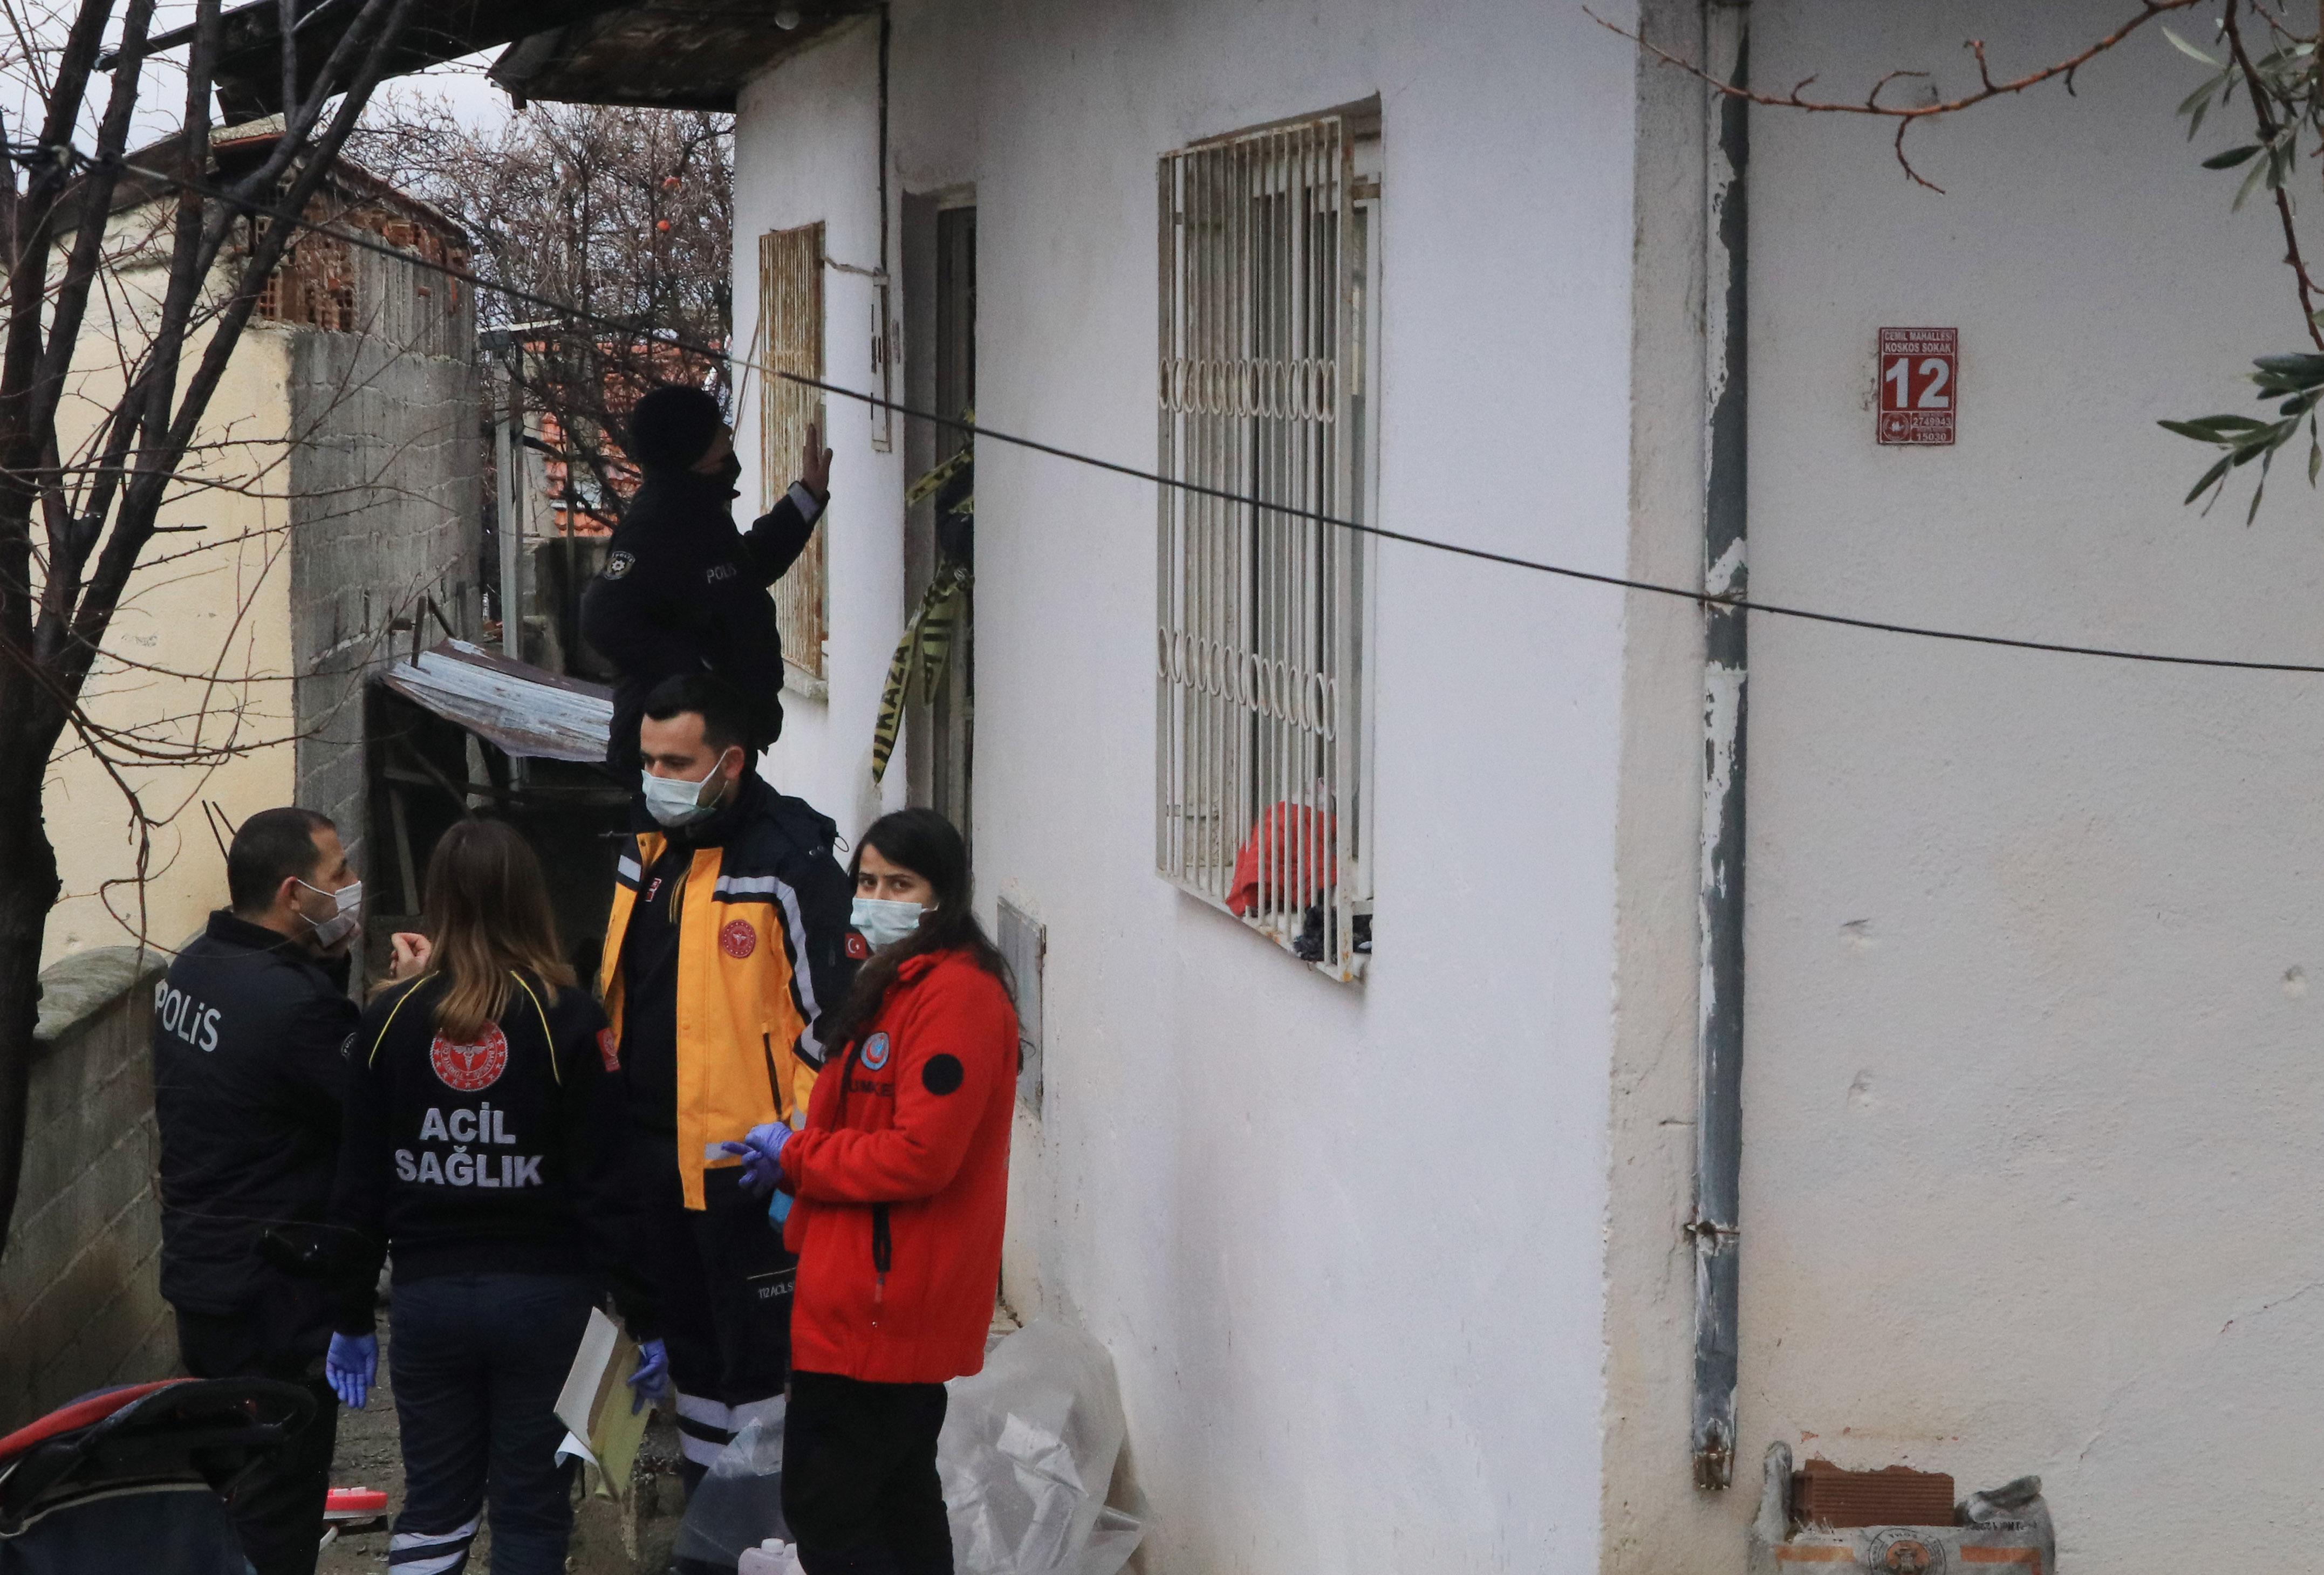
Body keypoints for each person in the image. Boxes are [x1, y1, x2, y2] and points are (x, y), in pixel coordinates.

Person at [326, 819, 667, 1575]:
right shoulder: (569, 1018)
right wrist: (648, 1313)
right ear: (529, 899)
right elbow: (609, 1185)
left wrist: (349, 1315)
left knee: (436, 1507)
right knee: (530, 1511)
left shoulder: (387, 1020)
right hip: (545, 1306)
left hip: (428, 1303)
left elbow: (357, 1186)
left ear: (437, 900)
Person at [732, 809, 1019, 1575]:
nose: (877, 896)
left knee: (829, 1508)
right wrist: (795, 1154)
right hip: (860, 1280)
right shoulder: (898, 981)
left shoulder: (954, 994)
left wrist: (800, 1156)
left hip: (884, 1297)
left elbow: (924, 1153)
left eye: (901, 883)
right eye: (867, 880)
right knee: (895, 1497)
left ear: (943, 895)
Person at [599, 672, 859, 1490]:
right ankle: (717, 1525)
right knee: (697, 1366)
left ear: (732, 762)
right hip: (656, 1161)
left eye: (677, 763)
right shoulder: (647, 847)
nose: (657, 781)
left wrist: (798, 1141)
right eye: (648, 762)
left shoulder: (791, 859)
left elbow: (837, 1021)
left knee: (760, 1373)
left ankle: (769, 1532)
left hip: (747, 1173)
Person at [151, 806, 366, 1575]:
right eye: (338, 874)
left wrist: (331, 965)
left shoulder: (196, 967)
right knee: (279, 1506)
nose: (351, 887)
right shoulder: (292, 1008)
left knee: (230, 1492)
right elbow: (367, 1108)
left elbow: (275, 1063)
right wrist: (406, 1005)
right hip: (275, 1294)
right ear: (291, 892)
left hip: (206, 1276)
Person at [579, 383, 835, 770]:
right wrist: (699, 672)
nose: (729, 433)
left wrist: (805, 499)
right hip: (676, 759)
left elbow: (742, 573)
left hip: (717, 747)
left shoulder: (698, 510)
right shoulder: (658, 521)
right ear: (691, 444)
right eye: (718, 427)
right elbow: (603, 617)